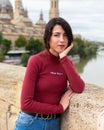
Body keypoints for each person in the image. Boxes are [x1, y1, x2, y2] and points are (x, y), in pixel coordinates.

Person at [14, 17, 85, 130]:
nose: (62, 39)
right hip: (30, 123)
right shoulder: (36, 61)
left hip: (54, 124)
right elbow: (26, 103)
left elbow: (79, 88)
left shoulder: (66, 62)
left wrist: (64, 59)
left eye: (65, 35)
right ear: (48, 38)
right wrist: (59, 108)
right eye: (56, 35)